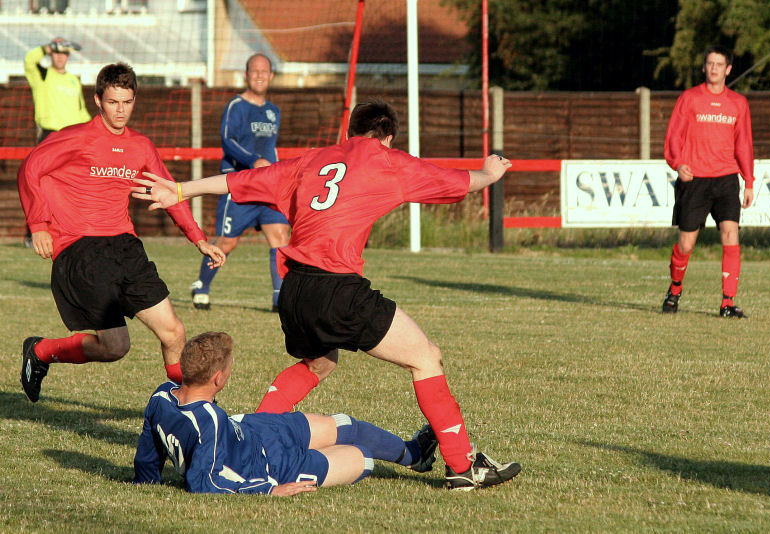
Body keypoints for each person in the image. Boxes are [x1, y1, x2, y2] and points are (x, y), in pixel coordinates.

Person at [132, 100, 521, 491]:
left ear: (349, 132)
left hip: (295, 289)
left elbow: (239, 182)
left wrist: (180, 189)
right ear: (386, 138)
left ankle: (252, 437)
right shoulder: (387, 160)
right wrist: (489, 173)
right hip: (337, 289)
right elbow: (455, 181)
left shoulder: (313, 160)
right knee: (426, 357)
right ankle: (464, 466)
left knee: (320, 363)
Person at [17, 63, 226, 404]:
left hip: (125, 248)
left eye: (127, 102)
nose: (120, 110)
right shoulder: (76, 137)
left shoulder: (141, 146)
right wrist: (39, 225)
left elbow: (168, 191)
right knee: (115, 347)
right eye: (113, 102)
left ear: (134, 100)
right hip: (81, 250)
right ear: (98, 100)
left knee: (174, 333)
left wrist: (198, 238)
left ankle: (191, 408)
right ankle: (41, 351)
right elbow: (31, 168)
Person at [133, 331, 438, 495]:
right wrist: (270, 491)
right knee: (362, 457)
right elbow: (206, 483)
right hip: (272, 468)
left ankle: (415, 454)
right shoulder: (208, 421)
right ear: (218, 379)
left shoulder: (162, 395)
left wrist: (146, 480)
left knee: (346, 425)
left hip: (257, 430)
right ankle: (389, 456)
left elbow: (150, 445)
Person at [190, 53, 290, 312]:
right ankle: (201, 286)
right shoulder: (236, 106)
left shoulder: (273, 112)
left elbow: (271, 148)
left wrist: (278, 173)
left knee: (280, 237)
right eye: (254, 71)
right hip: (240, 185)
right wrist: (252, 159)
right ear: (246, 75)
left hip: (267, 187)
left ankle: (279, 299)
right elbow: (227, 140)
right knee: (227, 243)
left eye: (264, 71)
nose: (259, 75)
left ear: (271, 76)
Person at [662, 45, 754, 318]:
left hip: (726, 179)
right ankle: (674, 290)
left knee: (730, 235)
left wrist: (748, 180)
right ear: (704, 68)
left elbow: (744, 144)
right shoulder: (689, 99)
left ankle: (727, 302)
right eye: (710, 63)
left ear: (728, 70)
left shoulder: (739, 103)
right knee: (686, 244)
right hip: (696, 181)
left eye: (719, 64)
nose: (714, 68)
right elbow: (674, 136)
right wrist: (678, 163)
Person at [23, 37, 92, 247]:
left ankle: (73, 229)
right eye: (56, 53)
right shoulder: (43, 75)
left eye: (64, 53)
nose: (60, 57)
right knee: (40, 185)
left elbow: (82, 112)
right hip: (50, 137)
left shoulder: (73, 80)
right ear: (51, 54)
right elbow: (29, 60)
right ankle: (33, 232)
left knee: (74, 185)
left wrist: (93, 132)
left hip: (73, 140)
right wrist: (46, 46)